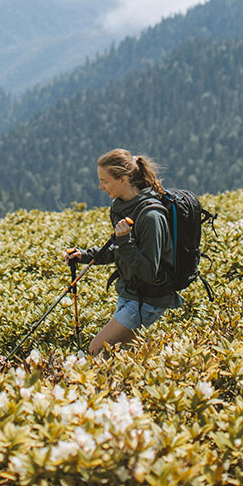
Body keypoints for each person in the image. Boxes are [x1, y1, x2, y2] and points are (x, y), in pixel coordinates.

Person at [63, 149, 182, 356]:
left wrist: (125, 240)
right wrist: (84, 256)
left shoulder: (151, 217)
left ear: (124, 179)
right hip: (129, 295)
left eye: (105, 181)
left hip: (147, 302)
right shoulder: (121, 207)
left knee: (96, 351)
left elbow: (148, 272)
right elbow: (118, 250)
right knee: (121, 358)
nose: (100, 187)